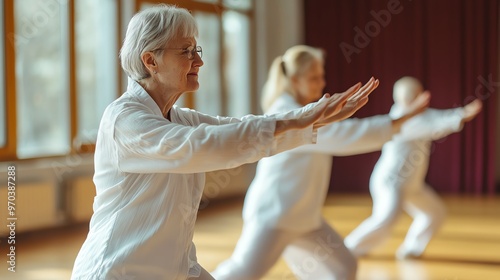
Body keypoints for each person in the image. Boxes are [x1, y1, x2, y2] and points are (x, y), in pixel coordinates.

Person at [70, 5, 380, 280]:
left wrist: (311, 119)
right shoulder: (124, 120)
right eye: (186, 52)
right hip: (115, 271)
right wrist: (299, 118)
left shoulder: (182, 118)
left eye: (197, 51)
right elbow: (203, 145)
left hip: (173, 268)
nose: (198, 62)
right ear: (150, 60)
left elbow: (237, 129)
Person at [212, 46, 430, 280]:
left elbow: (337, 130)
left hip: (306, 219)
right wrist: (400, 119)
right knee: (242, 272)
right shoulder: (288, 114)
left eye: (322, 76)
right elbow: (342, 134)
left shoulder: (307, 111)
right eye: (314, 77)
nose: (322, 83)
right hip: (274, 215)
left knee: (343, 268)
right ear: (295, 80)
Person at [344, 76, 483, 260]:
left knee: (434, 213)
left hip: (411, 184)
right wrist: (462, 115)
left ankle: (411, 249)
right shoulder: (401, 120)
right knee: (386, 218)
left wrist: (462, 112)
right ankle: (350, 248)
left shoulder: (421, 115)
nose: (423, 99)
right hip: (390, 182)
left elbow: (438, 117)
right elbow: (436, 125)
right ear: (406, 100)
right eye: (417, 97)